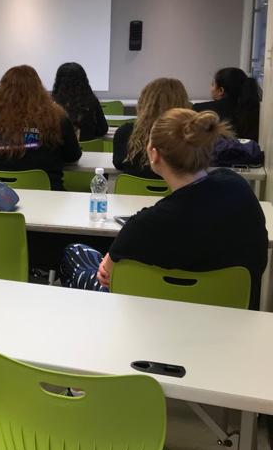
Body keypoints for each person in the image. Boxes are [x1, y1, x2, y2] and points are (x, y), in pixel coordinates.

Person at [61, 108, 268, 309]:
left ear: (154, 154)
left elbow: (107, 275)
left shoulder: (144, 226)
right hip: (233, 316)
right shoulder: (239, 189)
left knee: (75, 252)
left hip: (152, 319)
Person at [0, 65, 82, 191]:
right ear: (39, 89)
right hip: (46, 196)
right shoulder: (57, 117)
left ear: (2, 90)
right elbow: (73, 156)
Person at [113, 78, 191, 179]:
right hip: (177, 191)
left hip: (132, 192)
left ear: (144, 102)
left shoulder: (125, 132)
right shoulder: (192, 135)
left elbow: (118, 164)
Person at [193, 66, 261, 139]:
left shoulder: (201, 111)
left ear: (221, 91)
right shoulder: (255, 111)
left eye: (213, 84)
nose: (211, 88)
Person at [51, 62, 108, 141]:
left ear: (58, 81)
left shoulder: (52, 103)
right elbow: (103, 129)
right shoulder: (92, 102)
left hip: (60, 150)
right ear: (84, 80)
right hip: (89, 150)